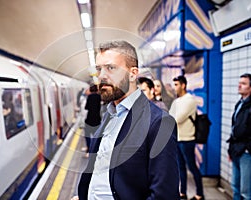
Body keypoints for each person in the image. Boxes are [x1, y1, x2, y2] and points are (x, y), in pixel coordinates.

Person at [73, 40, 179, 200]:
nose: (101, 76)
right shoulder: (110, 114)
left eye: (111, 68)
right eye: (98, 69)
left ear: (133, 73)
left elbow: (164, 195)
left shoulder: (159, 123)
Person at [169, 75, 204, 200]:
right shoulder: (176, 101)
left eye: (177, 85)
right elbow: (170, 117)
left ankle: (200, 194)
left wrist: (171, 118)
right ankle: (182, 192)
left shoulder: (190, 100)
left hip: (187, 139)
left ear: (183, 85)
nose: (175, 88)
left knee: (192, 167)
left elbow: (177, 118)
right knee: (180, 168)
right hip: (178, 138)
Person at [226, 73, 251, 200]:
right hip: (236, 150)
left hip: (246, 153)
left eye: (244, 83)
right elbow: (234, 129)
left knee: (246, 191)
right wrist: (230, 149)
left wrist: (247, 148)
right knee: (235, 186)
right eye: (239, 82)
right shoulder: (239, 104)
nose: (239, 85)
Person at [83, 84, 101, 157]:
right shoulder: (99, 97)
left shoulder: (89, 97)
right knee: (96, 136)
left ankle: (88, 150)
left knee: (87, 136)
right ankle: (95, 150)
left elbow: (86, 107)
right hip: (97, 119)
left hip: (89, 119)